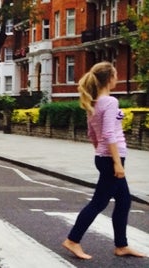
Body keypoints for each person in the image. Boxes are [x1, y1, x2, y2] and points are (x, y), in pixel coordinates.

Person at [62, 62, 145, 260]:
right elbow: (108, 134)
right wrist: (116, 162)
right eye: (115, 75)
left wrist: (100, 153)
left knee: (124, 201)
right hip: (111, 159)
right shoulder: (109, 102)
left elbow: (92, 134)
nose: (117, 78)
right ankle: (72, 240)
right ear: (109, 78)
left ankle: (121, 245)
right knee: (98, 203)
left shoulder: (94, 103)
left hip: (104, 156)